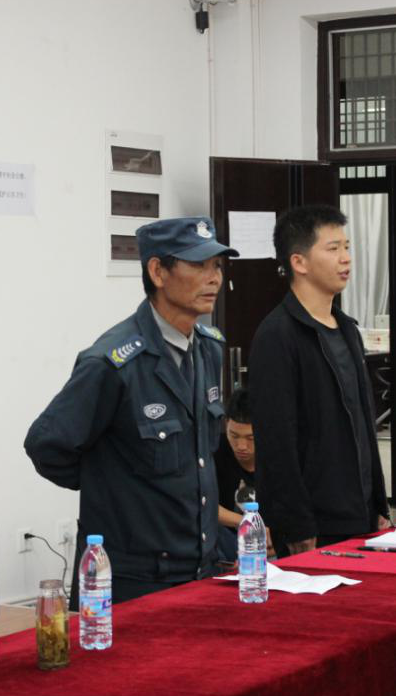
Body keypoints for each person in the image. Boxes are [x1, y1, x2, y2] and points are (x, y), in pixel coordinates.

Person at [25, 217, 238, 604]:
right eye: (198, 265)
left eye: (217, 266)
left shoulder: (209, 348)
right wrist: (112, 488)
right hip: (132, 579)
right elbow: (47, 445)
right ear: (158, 271)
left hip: (199, 569)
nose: (214, 279)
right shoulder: (113, 361)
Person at [250, 204, 392, 557]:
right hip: (314, 523)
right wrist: (295, 523)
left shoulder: (347, 329)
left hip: (361, 515)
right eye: (333, 248)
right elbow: (276, 441)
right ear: (299, 262)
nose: (346, 258)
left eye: (347, 247)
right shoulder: (277, 335)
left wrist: (379, 504)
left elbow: (363, 425)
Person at [214, 387, 258, 561]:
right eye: (234, 435)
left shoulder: (278, 458)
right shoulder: (215, 451)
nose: (241, 446)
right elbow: (203, 504)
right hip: (226, 544)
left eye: (250, 438)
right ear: (226, 424)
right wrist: (246, 523)